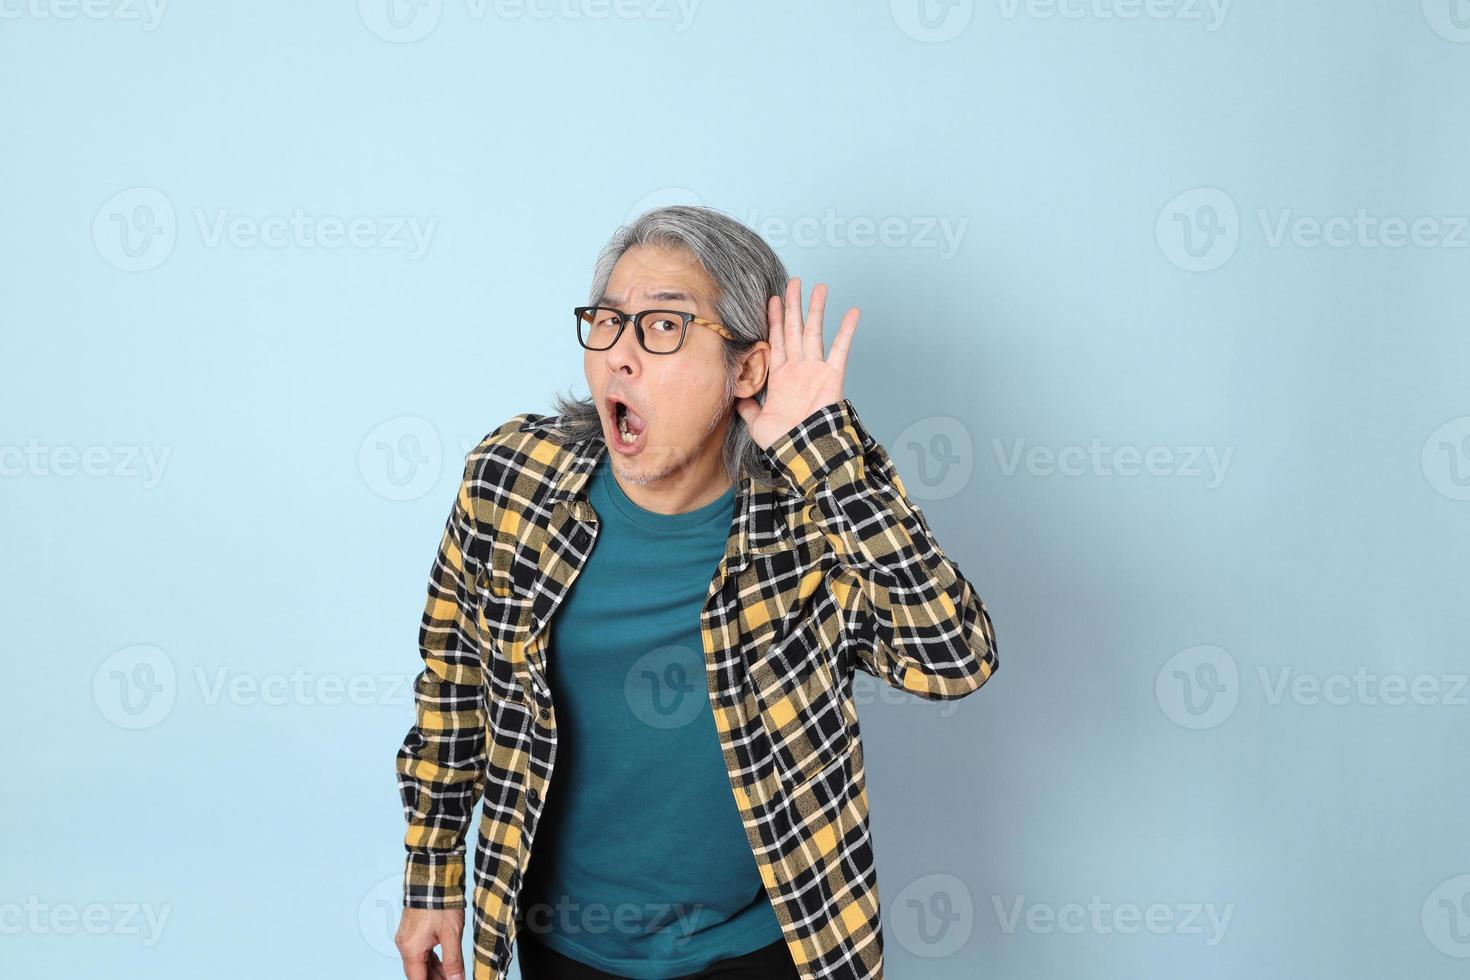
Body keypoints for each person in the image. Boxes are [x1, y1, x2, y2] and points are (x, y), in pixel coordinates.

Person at [393, 206, 999, 980]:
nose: (620, 356)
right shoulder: (513, 481)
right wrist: (433, 879)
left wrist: (825, 447)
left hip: (761, 951)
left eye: (664, 328)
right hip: (563, 947)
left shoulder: (806, 526)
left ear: (746, 369)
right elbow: (454, 687)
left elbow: (955, 657)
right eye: (608, 323)